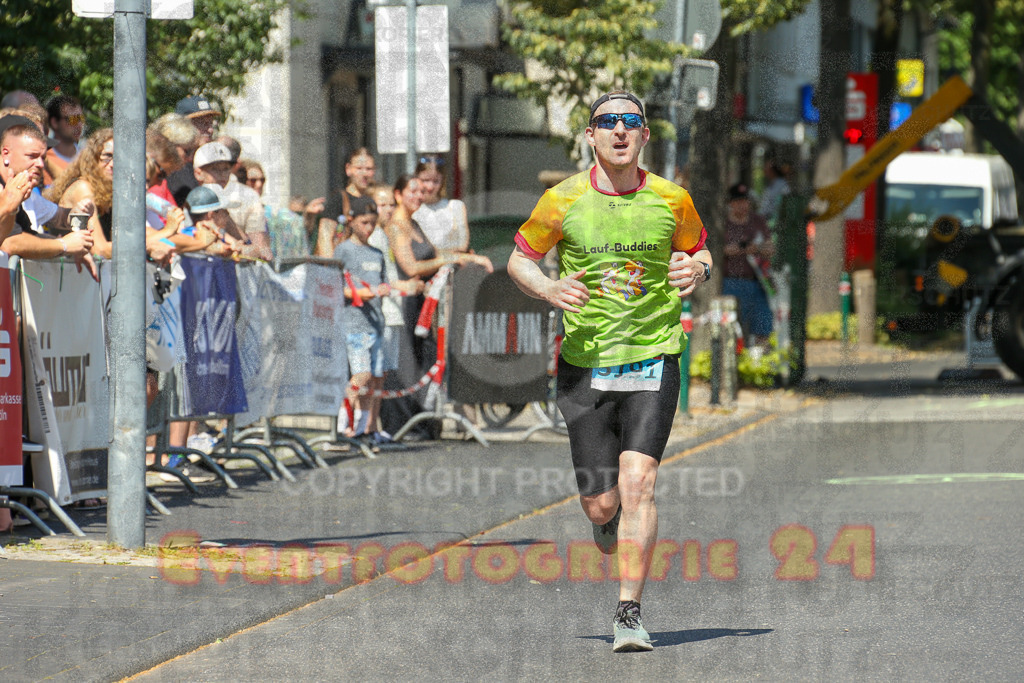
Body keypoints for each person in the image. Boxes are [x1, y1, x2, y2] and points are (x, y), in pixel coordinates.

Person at [507, 90, 711, 652]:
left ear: (645, 136)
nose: (619, 131)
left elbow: (701, 250)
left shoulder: (673, 199)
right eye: (607, 122)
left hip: (653, 355)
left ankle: (628, 612)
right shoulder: (562, 199)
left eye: (631, 122)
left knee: (639, 482)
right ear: (591, 136)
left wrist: (697, 268)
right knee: (602, 502)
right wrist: (549, 286)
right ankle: (605, 520)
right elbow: (519, 256)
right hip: (585, 364)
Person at [1, 116, 95, 273]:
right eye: (32, 156)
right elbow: (11, 243)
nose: (40, 164)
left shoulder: (20, 189)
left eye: (43, 158)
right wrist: (63, 245)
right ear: (6, 153)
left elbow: (31, 234)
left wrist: (78, 215)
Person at [335, 200, 391, 441]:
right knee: (361, 375)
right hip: (354, 323)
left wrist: (383, 290)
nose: (369, 228)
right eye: (364, 222)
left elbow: (384, 283)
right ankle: (342, 422)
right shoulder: (344, 250)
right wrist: (363, 293)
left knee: (374, 377)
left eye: (373, 223)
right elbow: (336, 286)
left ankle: (363, 428)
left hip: (376, 323)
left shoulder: (377, 253)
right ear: (352, 221)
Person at [192, 141, 272, 261]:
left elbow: (244, 243)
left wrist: (239, 246)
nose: (222, 174)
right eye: (215, 169)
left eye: (226, 169)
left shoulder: (222, 200)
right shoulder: (196, 200)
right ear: (198, 173)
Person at [723, 181, 774, 346]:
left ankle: (759, 362)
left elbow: (770, 247)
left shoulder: (757, 221)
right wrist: (745, 248)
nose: (742, 205)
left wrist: (757, 248)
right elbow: (724, 250)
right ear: (730, 203)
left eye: (745, 201)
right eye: (738, 202)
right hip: (731, 282)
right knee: (735, 328)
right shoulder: (724, 224)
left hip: (758, 281)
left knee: (762, 326)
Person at [318, 148, 376, 256]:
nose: (364, 174)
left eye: (368, 169)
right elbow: (324, 237)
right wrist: (333, 268)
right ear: (348, 169)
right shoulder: (339, 199)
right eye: (359, 168)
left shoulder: (373, 200)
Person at [412, 155, 470, 252]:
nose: (430, 187)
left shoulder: (455, 206)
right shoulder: (412, 209)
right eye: (425, 180)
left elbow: (463, 245)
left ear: (442, 181)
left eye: (436, 181)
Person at [45, 94, 84, 184]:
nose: (79, 125)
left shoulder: (88, 159)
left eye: (80, 118)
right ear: (54, 122)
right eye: (72, 119)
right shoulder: (41, 159)